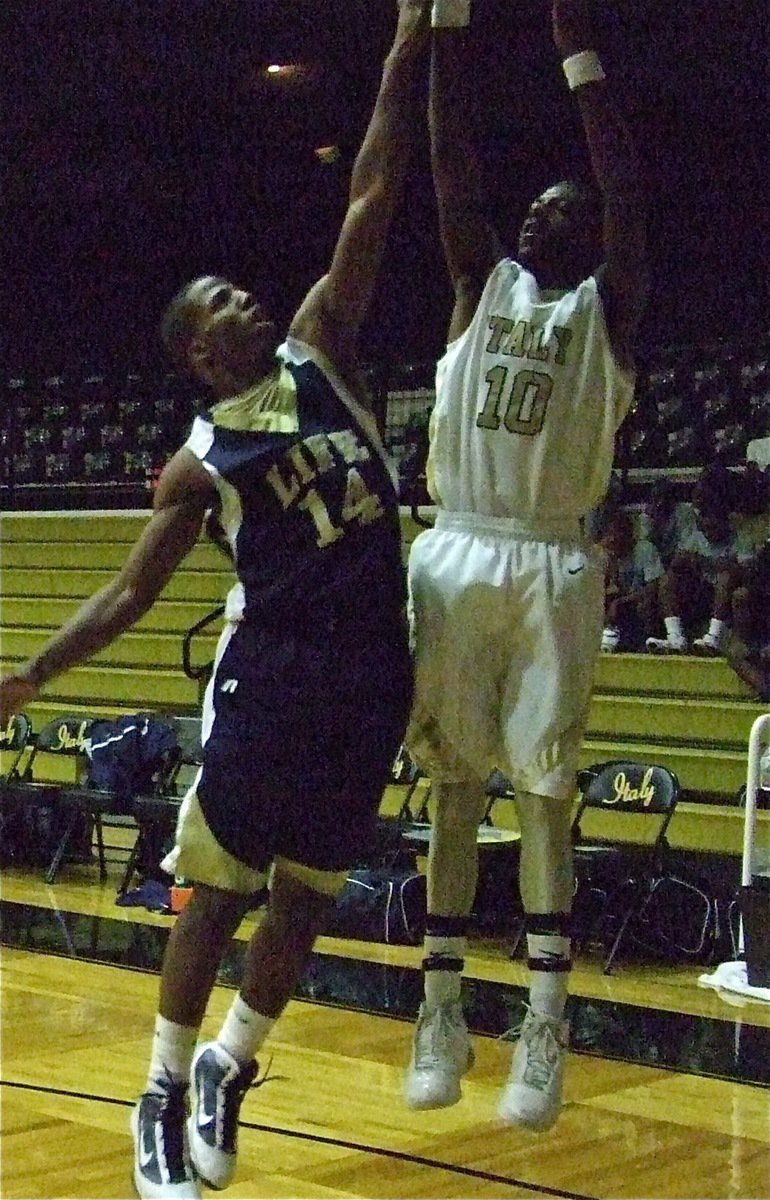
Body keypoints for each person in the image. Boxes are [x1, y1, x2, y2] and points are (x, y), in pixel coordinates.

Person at [0, 4, 428, 1196]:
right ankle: (155, 1087)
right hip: (272, 679)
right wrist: (31, 675)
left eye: (242, 294)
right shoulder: (196, 463)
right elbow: (133, 591)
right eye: (219, 309)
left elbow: (374, 197)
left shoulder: (319, 344)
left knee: (305, 898)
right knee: (213, 895)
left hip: (369, 673)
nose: (245, 305)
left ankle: (231, 1068)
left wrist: (408, 45)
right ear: (196, 355)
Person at [403, 0, 647, 1132]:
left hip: (551, 559)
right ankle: (438, 1006)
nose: (548, 213)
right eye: (540, 205)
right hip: (457, 549)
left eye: (570, 210)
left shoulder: (607, 312)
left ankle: (544, 1026)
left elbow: (629, 194)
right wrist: (444, 33)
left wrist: (576, 60)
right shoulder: (477, 286)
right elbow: (447, 167)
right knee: (453, 788)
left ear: (591, 240)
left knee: (543, 796)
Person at [645, 465, 757, 655]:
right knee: (667, 580)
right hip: (700, 592)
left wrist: (708, 563)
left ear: (724, 522)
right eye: (705, 527)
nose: (708, 531)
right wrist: (684, 561)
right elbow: (675, 565)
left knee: (725, 578)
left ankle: (714, 637)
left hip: (725, 593)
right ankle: (675, 638)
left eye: (713, 527)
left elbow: (746, 571)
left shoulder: (740, 538)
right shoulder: (696, 537)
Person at [600, 505, 663, 652]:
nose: (614, 538)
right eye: (610, 533)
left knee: (643, 604)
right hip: (621, 601)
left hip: (641, 601)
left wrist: (621, 601)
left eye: (618, 532)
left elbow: (653, 587)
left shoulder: (645, 549)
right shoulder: (609, 555)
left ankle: (644, 644)